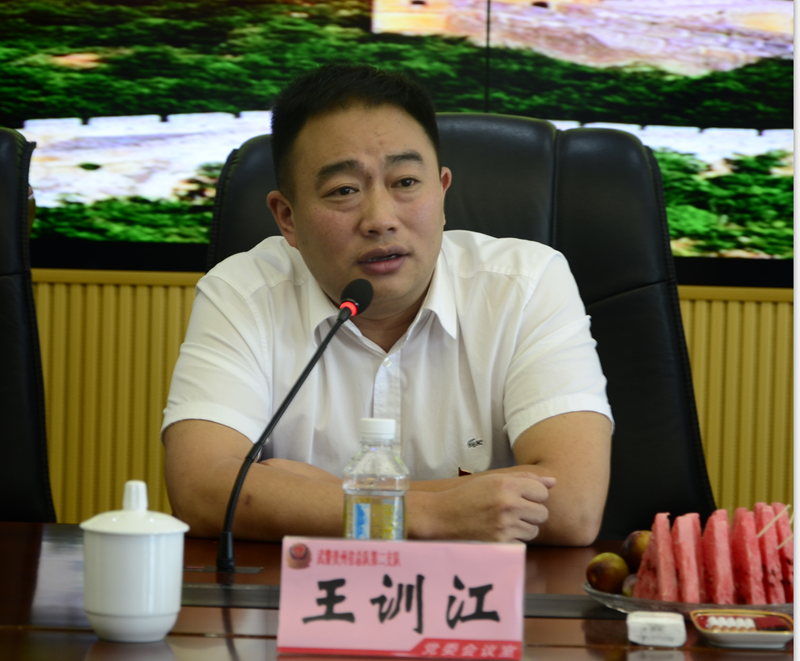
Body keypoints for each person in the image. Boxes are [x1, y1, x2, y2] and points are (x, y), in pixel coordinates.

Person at [162, 64, 613, 546]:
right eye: (344, 191)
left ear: (442, 191)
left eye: (405, 182)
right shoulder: (242, 291)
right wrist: (432, 512)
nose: (380, 219)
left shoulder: (525, 285)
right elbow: (201, 489)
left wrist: (322, 494)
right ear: (287, 218)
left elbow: (573, 505)